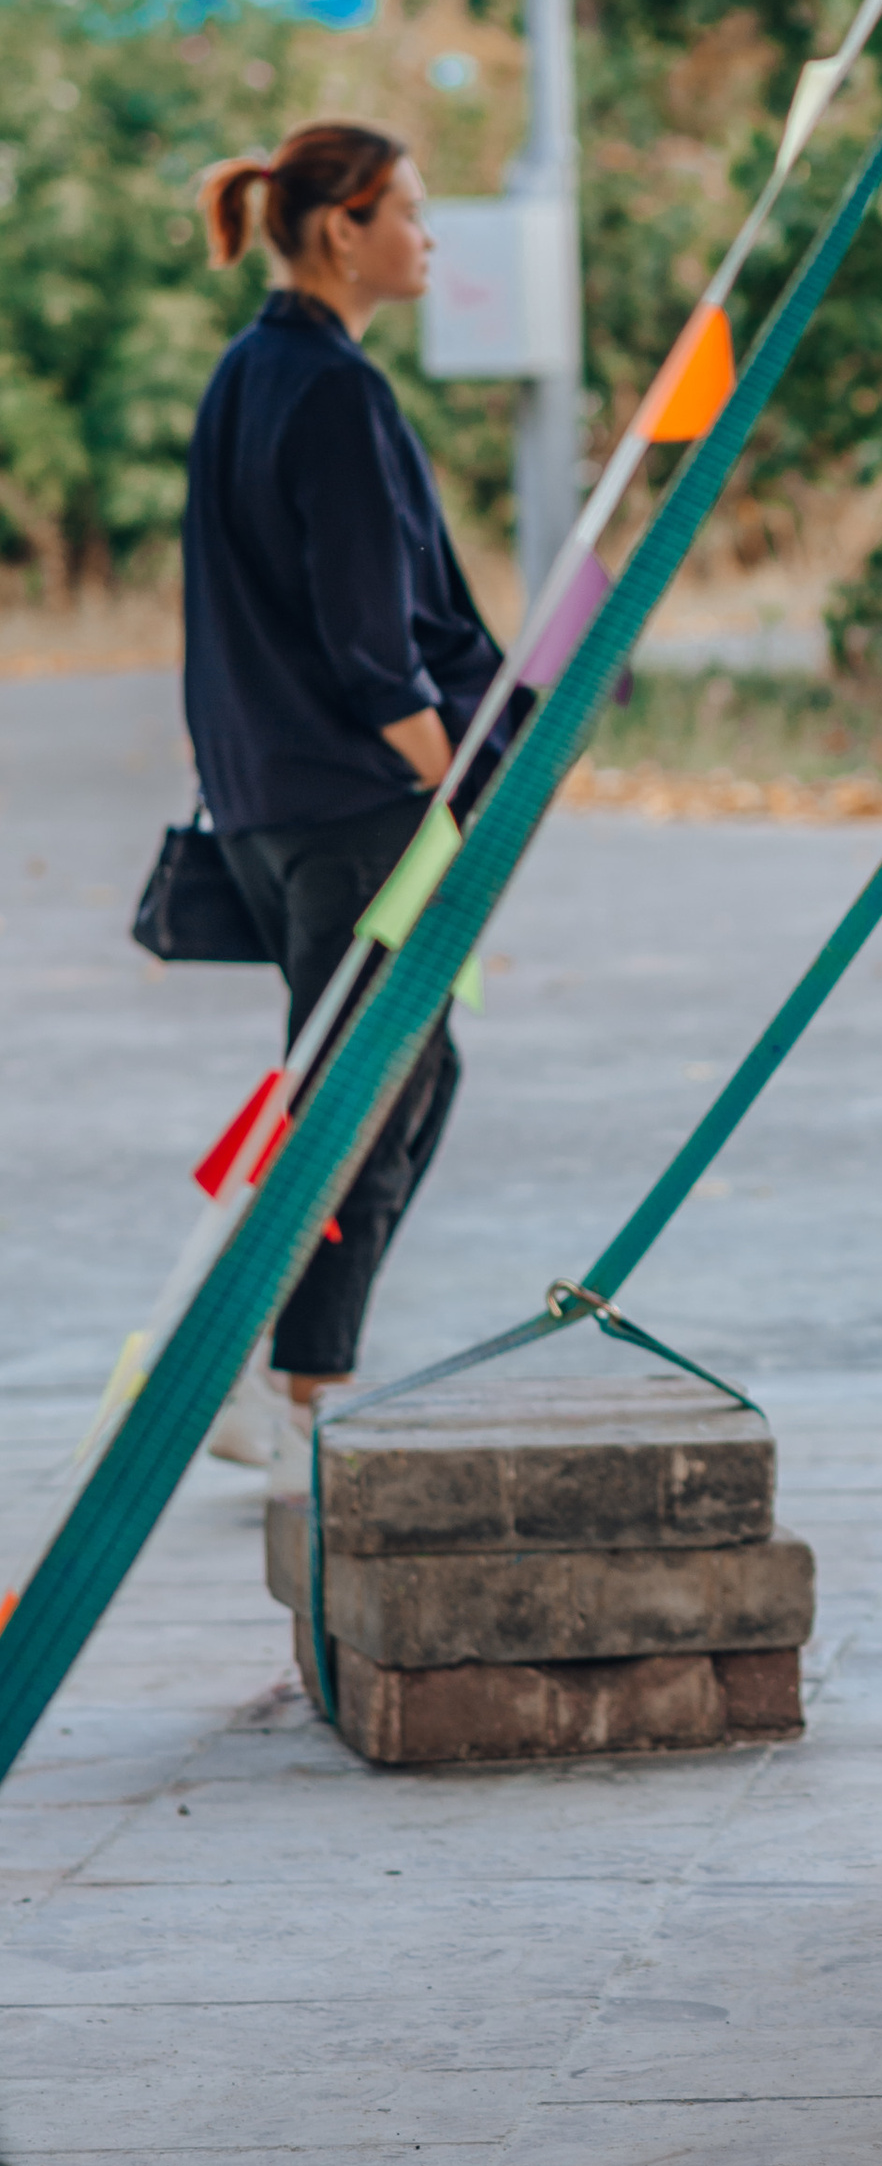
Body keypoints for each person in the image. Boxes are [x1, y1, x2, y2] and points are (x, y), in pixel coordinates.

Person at [183, 123, 501, 1468]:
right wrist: (458, 790)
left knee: (373, 1075)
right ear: (340, 232)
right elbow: (375, 649)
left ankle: (280, 1371)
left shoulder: (245, 374)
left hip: (263, 804)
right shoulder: (334, 393)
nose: (427, 236)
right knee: (373, 1089)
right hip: (354, 806)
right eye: (408, 212)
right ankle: (287, 1384)